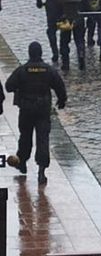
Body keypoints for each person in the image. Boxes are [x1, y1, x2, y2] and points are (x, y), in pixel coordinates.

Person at [6, 41, 67, 186]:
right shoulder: (48, 70)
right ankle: (41, 170)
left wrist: (19, 89)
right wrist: (62, 100)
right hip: (43, 109)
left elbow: (9, 86)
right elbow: (59, 86)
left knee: (25, 137)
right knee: (43, 139)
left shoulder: (22, 70)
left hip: (26, 109)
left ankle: (22, 162)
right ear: (40, 53)